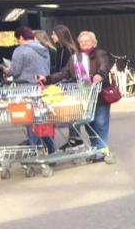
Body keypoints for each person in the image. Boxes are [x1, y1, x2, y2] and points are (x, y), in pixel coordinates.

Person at [42, 31, 112, 162]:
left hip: (99, 96)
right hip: (83, 98)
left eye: (87, 40)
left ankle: (101, 151)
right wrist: (47, 79)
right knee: (89, 125)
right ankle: (96, 149)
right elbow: (64, 73)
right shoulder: (75, 57)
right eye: (81, 41)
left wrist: (100, 74)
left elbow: (104, 65)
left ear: (93, 42)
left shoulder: (99, 53)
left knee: (100, 125)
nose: (84, 43)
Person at [3, 26, 54, 154]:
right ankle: (49, 149)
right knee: (41, 120)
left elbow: (15, 71)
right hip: (42, 88)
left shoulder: (20, 51)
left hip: (26, 89)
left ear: (21, 37)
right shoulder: (44, 49)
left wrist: (7, 70)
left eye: (17, 39)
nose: (18, 42)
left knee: (30, 121)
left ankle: (35, 149)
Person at [50, 25, 83, 150]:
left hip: (69, 85)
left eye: (53, 34)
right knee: (70, 114)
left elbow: (66, 70)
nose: (52, 36)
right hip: (65, 84)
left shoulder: (68, 50)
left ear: (60, 35)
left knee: (71, 113)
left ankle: (75, 139)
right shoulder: (62, 49)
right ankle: (74, 139)